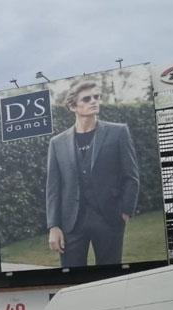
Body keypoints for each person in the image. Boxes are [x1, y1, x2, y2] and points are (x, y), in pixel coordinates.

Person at [46, 79, 139, 268]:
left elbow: (131, 176)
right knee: (71, 277)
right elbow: (53, 188)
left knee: (110, 276)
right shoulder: (57, 143)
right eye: (87, 99)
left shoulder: (118, 132)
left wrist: (125, 212)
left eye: (96, 97)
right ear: (73, 106)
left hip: (109, 218)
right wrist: (53, 226)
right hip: (71, 223)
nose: (94, 101)